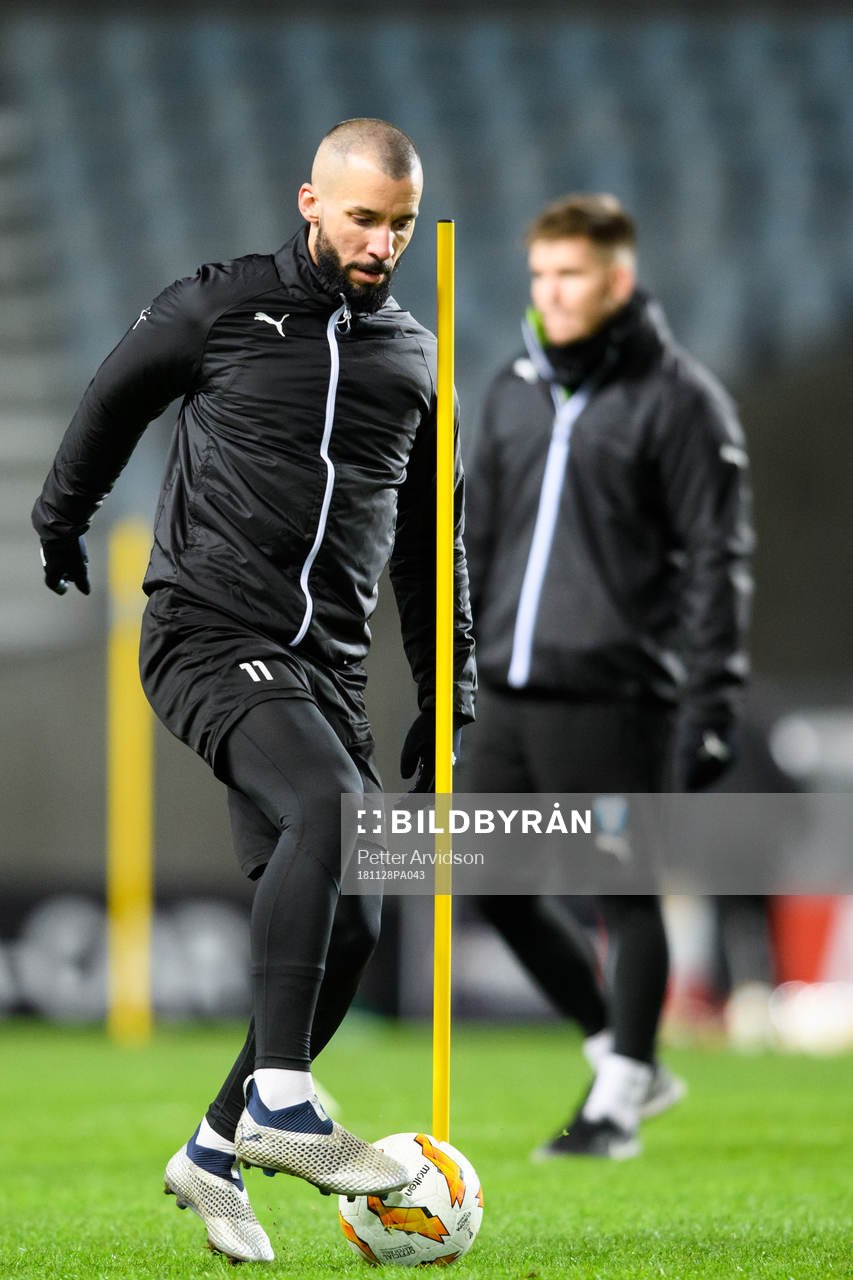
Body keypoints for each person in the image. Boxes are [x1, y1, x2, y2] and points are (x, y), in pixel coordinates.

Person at [32, 118, 476, 1263]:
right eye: (364, 217)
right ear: (312, 203)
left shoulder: (415, 358)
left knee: (359, 916)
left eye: (400, 222)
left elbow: (434, 540)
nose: (383, 241)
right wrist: (59, 517)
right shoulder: (222, 305)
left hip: (324, 667)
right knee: (336, 816)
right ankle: (283, 1098)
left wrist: (447, 684)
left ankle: (215, 1147)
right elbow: (115, 392)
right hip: (203, 626)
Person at [462, 193, 753, 1158]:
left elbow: (720, 560)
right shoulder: (507, 386)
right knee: (486, 885)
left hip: (615, 691)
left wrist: (709, 701)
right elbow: (477, 540)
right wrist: (458, 671)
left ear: (617, 279)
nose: (552, 293)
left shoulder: (679, 400)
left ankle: (618, 1103)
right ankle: (617, 1049)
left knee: (621, 894)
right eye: (540, 275)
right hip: (505, 689)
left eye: (571, 275)